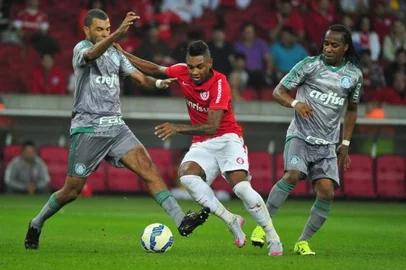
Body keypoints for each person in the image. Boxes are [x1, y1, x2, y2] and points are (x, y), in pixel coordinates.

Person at [24, 9, 209, 250]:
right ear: (87, 30)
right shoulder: (81, 49)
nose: (104, 33)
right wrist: (119, 33)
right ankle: (36, 223)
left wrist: (159, 82)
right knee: (71, 190)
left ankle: (181, 220)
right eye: (99, 29)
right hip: (88, 128)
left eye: (108, 29)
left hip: (116, 126)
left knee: (148, 169)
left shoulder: (115, 52)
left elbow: (140, 78)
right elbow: (92, 54)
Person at [115, 40, 283, 256]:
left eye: (200, 67)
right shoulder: (182, 72)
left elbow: (212, 126)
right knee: (186, 176)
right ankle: (230, 220)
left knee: (241, 189)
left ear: (210, 63)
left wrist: (177, 128)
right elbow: (155, 69)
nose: (194, 71)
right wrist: (123, 53)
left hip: (227, 138)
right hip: (203, 142)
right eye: (191, 66)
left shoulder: (220, 84)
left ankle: (272, 236)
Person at [250, 24, 363, 255]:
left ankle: (302, 241)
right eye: (326, 43)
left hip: (327, 144)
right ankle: (264, 225)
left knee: (327, 192)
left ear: (345, 47)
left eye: (334, 45)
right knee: (292, 175)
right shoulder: (309, 65)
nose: (328, 48)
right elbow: (278, 91)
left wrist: (345, 143)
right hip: (300, 135)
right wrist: (295, 103)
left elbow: (352, 109)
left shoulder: (354, 76)